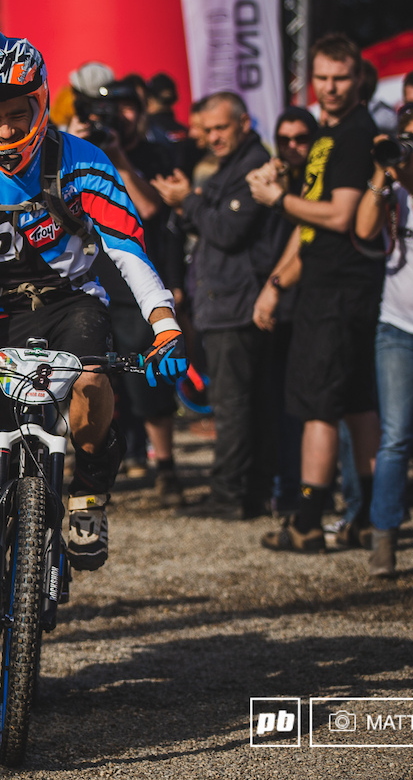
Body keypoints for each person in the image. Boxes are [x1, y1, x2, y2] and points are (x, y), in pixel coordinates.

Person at [0, 34, 186, 676]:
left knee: (91, 380)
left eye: (16, 112)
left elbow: (128, 247)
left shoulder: (82, 160)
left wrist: (164, 324)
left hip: (72, 299)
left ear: (41, 104)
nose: (2, 126)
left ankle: (87, 495)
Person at [249, 34, 386, 552]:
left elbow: (339, 216)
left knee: (318, 407)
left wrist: (277, 197)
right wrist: (278, 281)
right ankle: (367, 517)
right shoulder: (329, 134)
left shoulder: (354, 134)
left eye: (341, 78)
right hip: (330, 286)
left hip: (339, 291)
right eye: (323, 78)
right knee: (354, 403)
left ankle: (307, 522)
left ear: (359, 80)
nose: (330, 88)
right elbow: (311, 230)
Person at [154, 93, 284, 519]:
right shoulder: (232, 166)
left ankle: (230, 495)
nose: (212, 137)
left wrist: (187, 199)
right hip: (226, 302)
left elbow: (228, 230)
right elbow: (203, 220)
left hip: (238, 305)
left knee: (234, 406)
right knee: (246, 404)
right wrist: (188, 201)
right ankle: (251, 491)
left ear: (244, 123)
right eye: (206, 130)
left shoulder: (253, 167)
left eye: (220, 128)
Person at [70, 74, 186, 505]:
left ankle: (166, 469)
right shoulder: (78, 155)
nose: (116, 119)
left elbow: (149, 208)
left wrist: (117, 158)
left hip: (138, 284)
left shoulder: (156, 152)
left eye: (125, 108)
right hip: (93, 282)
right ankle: (96, 469)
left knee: (148, 384)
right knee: (94, 380)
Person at [355, 103, 413, 577]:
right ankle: (384, 538)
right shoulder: (393, 184)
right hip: (395, 325)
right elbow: (363, 229)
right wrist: (383, 171)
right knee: (395, 438)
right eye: (410, 137)